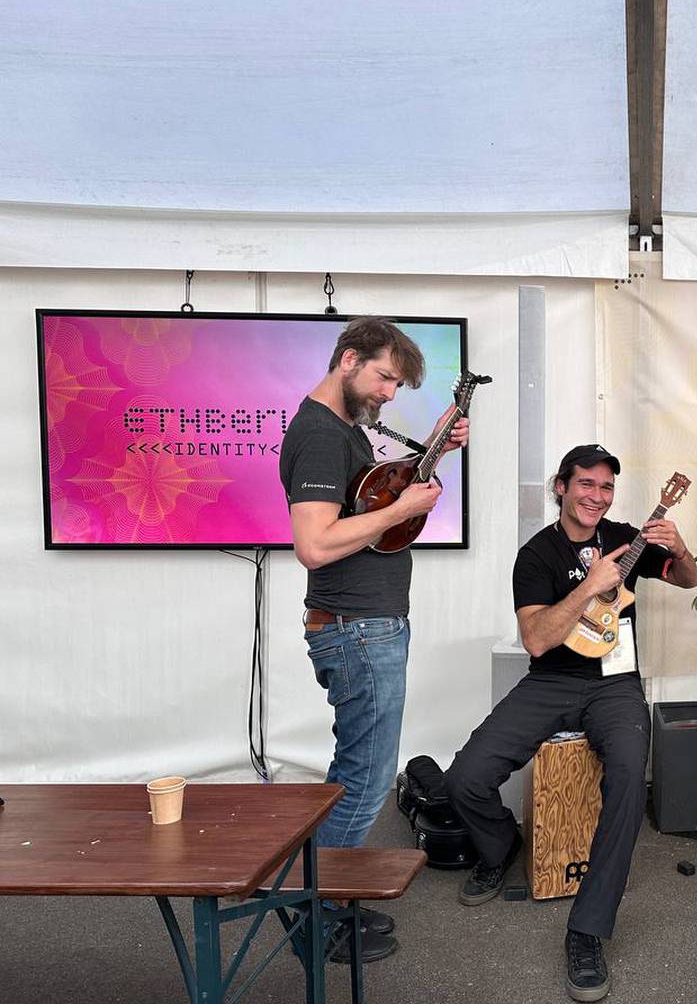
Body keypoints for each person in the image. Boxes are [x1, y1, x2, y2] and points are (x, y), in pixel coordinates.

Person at [445, 444, 697, 1003]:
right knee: (465, 776)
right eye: (586, 484)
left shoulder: (628, 537)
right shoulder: (536, 556)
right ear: (561, 487)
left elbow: (688, 581)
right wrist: (588, 584)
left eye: (606, 488)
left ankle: (587, 930)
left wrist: (679, 549)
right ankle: (497, 849)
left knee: (631, 774)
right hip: (552, 678)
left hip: (614, 682)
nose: (596, 497)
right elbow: (536, 638)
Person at [279, 316, 468, 964]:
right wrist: (402, 512)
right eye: (385, 377)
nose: (390, 393)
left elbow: (362, 508)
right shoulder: (320, 435)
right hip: (358, 634)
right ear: (349, 359)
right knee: (364, 781)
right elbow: (314, 544)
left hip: (366, 630)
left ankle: (321, 902)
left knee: (351, 774)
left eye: (397, 384)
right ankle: (311, 915)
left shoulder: (342, 430)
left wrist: (438, 444)